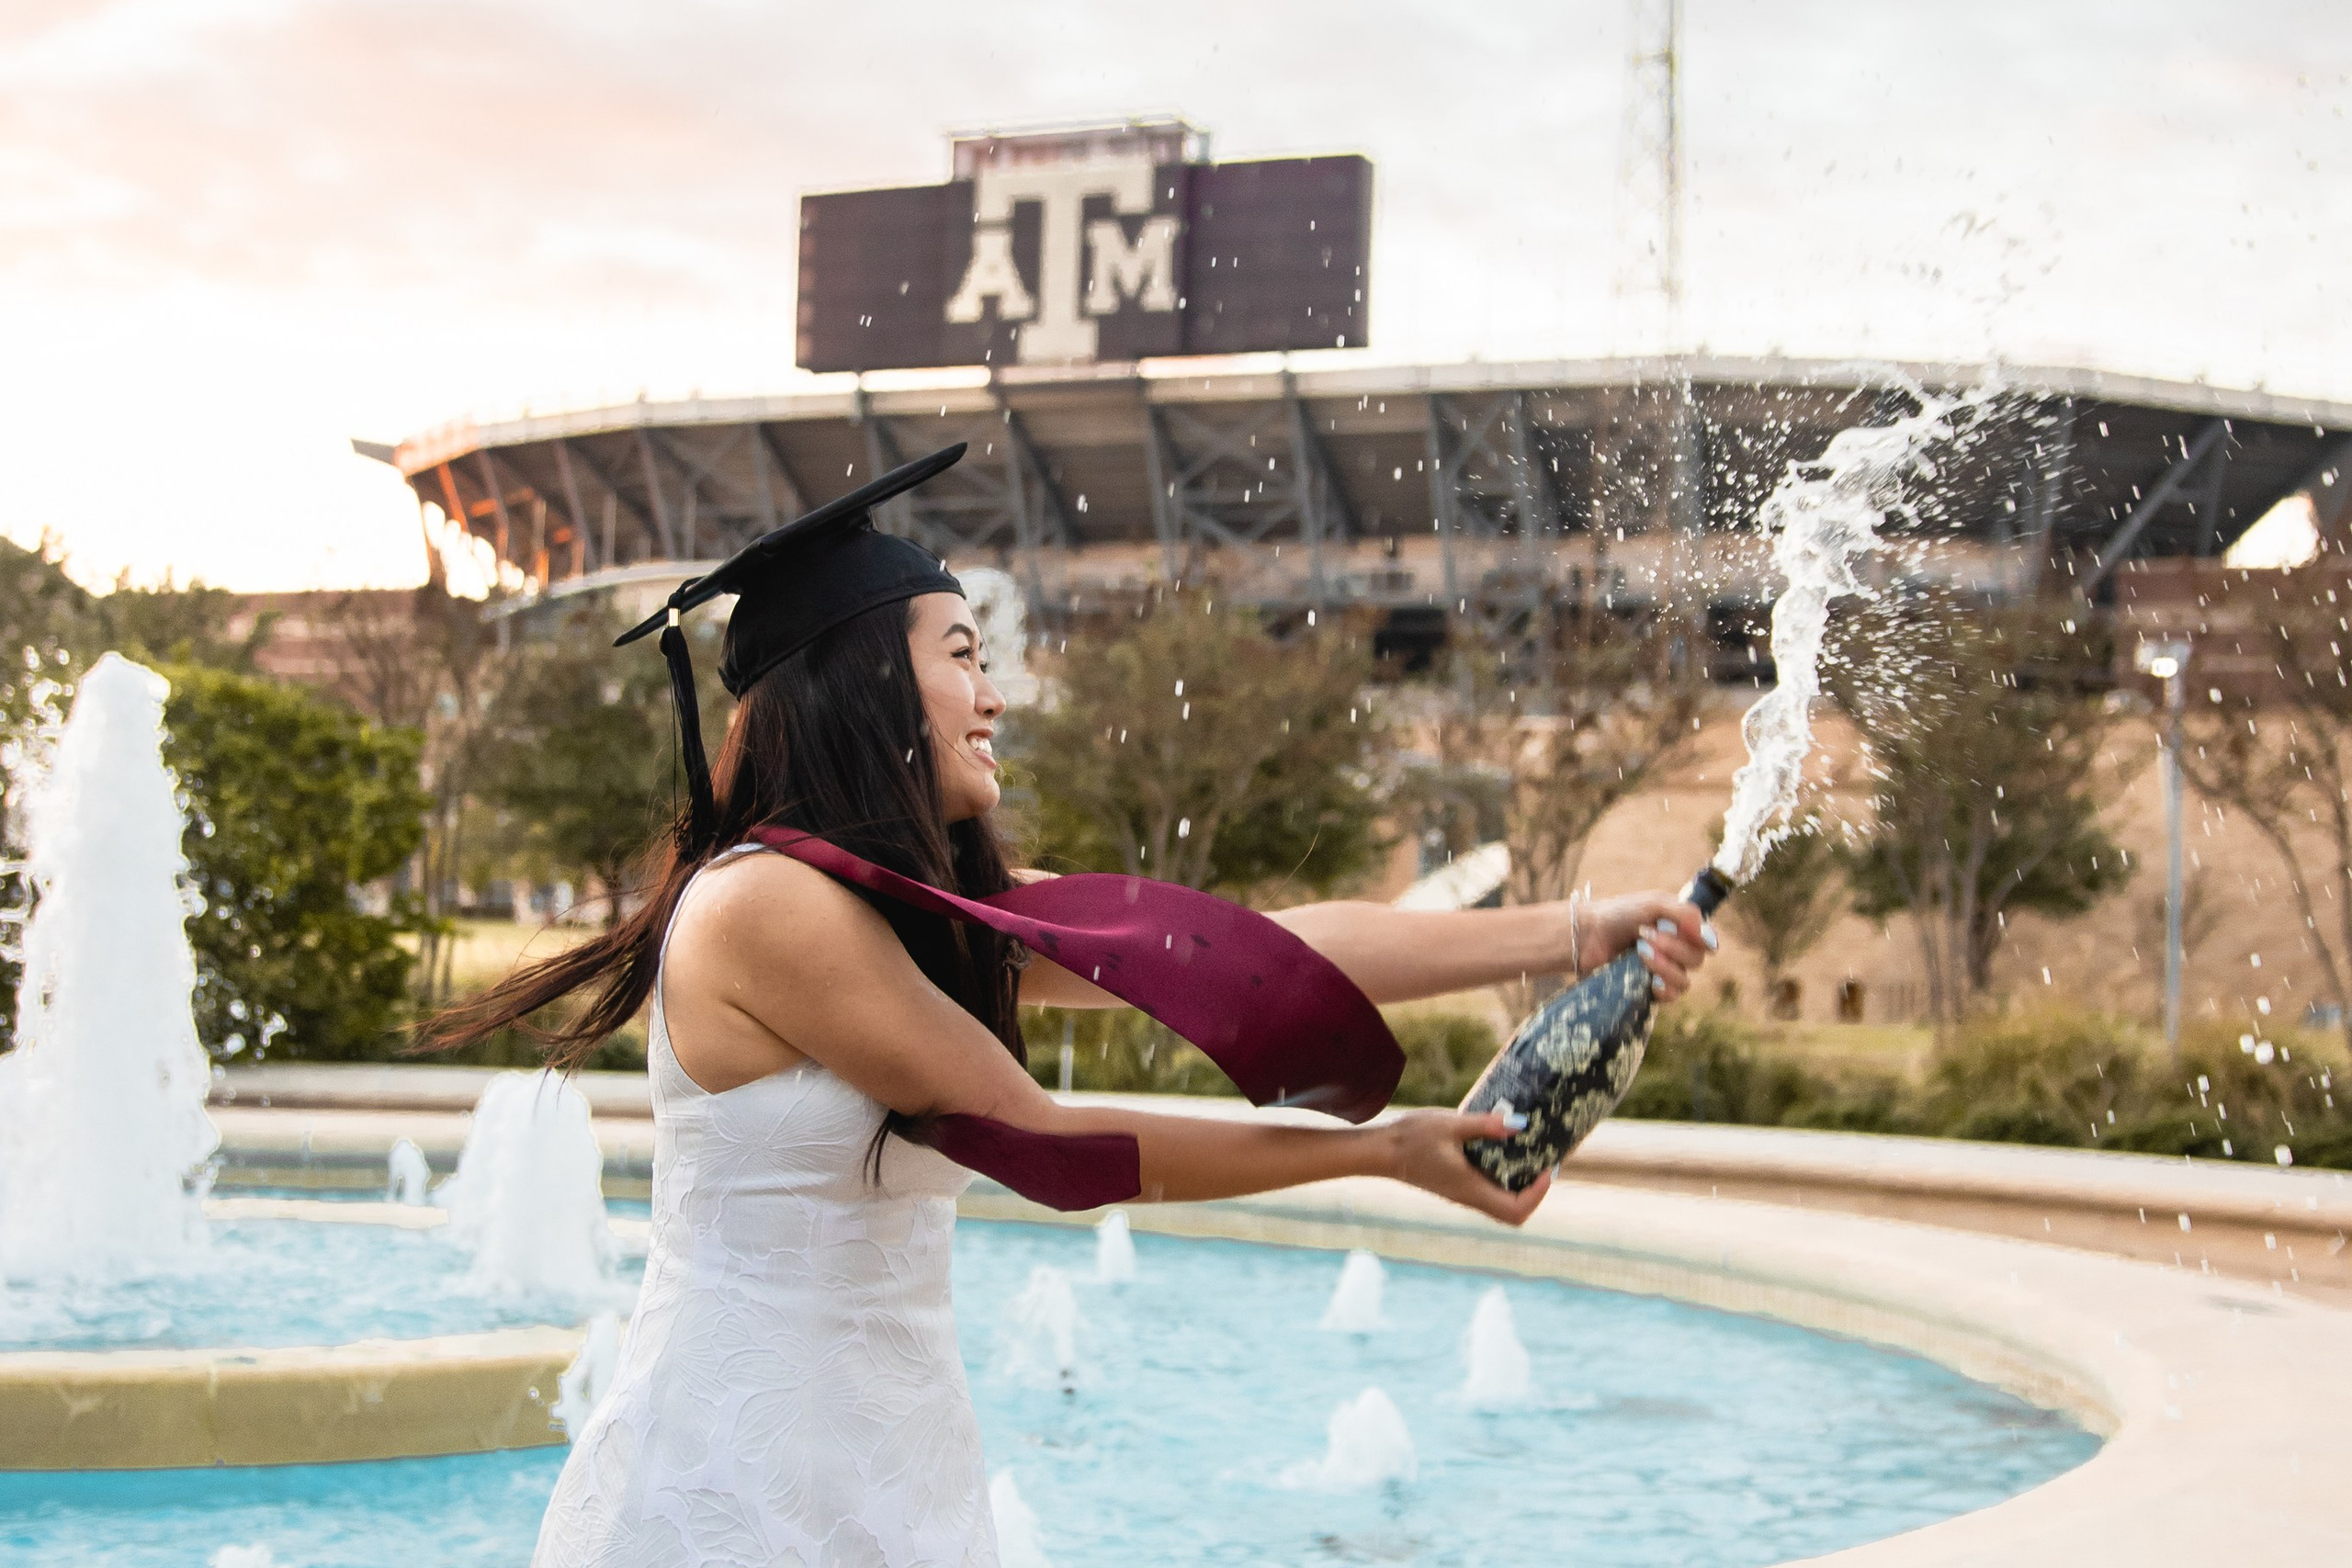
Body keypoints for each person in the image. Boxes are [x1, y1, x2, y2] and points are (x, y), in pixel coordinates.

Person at [427, 446, 1714, 1567]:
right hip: (735, 1485)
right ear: (870, 680)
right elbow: (1041, 1140)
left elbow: (1251, 956)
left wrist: (1571, 932)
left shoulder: (899, 903)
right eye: (964, 658)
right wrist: (1380, 1150)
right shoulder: (765, 907)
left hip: (894, 1458)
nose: (996, 701)